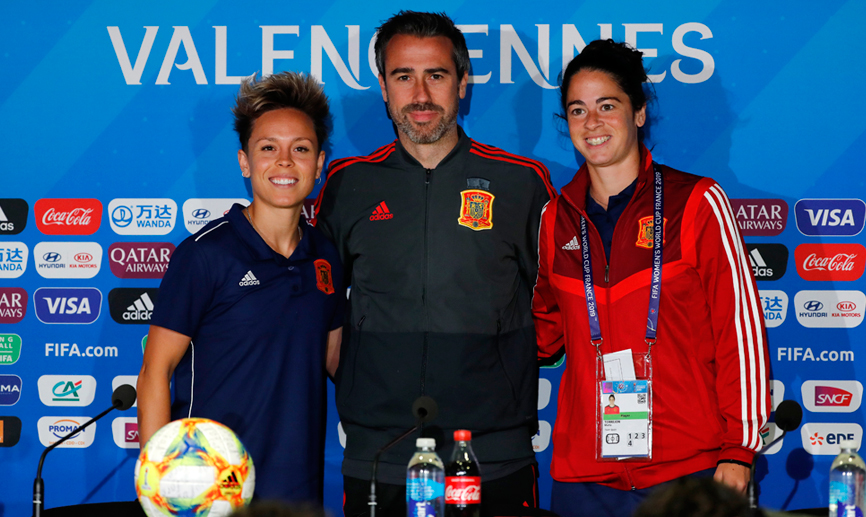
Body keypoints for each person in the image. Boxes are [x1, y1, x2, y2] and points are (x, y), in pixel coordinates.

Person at [314, 10, 555, 517]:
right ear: (383, 86)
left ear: (463, 83)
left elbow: (555, 303)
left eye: (437, 75)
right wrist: (367, 380)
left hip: (494, 452)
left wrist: (500, 378)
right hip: (377, 453)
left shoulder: (521, 183)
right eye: (403, 76)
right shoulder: (346, 185)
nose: (420, 94)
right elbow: (321, 308)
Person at [532, 39, 770, 517]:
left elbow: (738, 332)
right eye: (577, 110)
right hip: (584, 474)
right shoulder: (554, 218)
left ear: (639, 113)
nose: (592, 123)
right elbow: (541, 332)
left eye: (607, 106)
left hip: (689, 468)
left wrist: (737, 449)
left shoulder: (698, 203)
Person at [137, 72, 345, 503]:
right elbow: (155, 374)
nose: (284, 162)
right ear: (245, 162)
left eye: (300, 149)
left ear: (320, 163)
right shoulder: (204, 255)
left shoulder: (326, 255)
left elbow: (336, 359)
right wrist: (162, 487)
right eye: (268, 148)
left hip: (297, 494)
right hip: (207, 490)